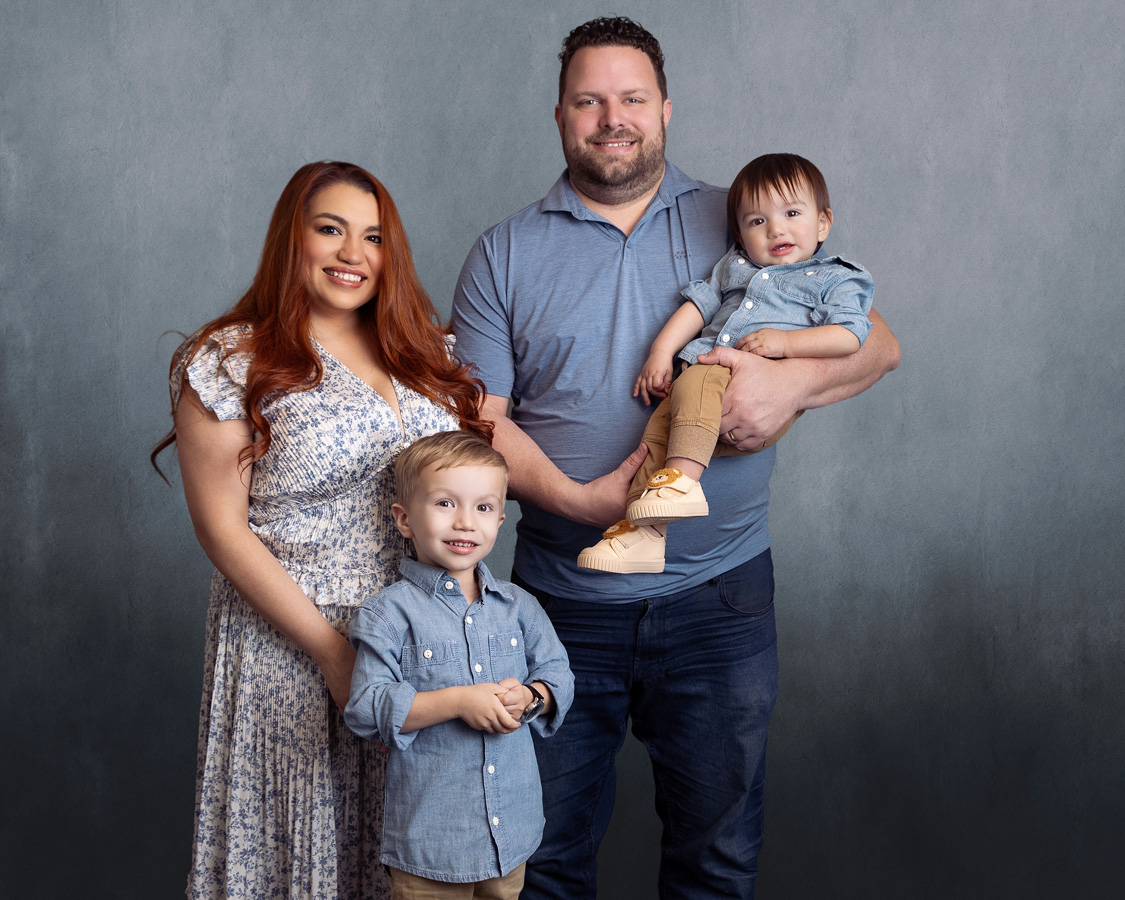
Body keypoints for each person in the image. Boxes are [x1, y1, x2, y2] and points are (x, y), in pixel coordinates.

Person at [451, 16, 900, 900]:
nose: (611, 117)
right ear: (559, 117)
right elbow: (479, 421)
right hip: (557, 603)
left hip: (718, 603)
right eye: (589, 100)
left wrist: (785, 391)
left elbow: (876, 342)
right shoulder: (503, 252)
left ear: (665, 110)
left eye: (631, 98)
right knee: (537, 865)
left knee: (716, 861)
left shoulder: (743, 215)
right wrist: (580, 503)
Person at [153, 161, 491, 900]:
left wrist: (603, 490)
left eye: (372, 237)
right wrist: (336, 655)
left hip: (415, 641)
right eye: (330, 229)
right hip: (294, 642)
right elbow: (222, 531)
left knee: (405, 860)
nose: (352, 254)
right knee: (298, 851)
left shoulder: (421, 349)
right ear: (291, 239)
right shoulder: (230, 361)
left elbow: (484, 461)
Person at [578, 152, 874, 573]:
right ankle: (644, 536)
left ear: (823, 222)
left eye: (792, 213)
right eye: (757, 221)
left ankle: (681, 484)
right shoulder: (734, 265)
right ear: (740, 232)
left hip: (746, 386)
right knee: (655, 439)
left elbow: (849, 335)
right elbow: (697, 308)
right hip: (698, 384)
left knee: (699, 382)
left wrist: (787, 344)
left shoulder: (836, 278)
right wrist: (660, 352)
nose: (776, 229)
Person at [345, 430, 574, 899]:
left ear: (500, 519)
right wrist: (456, 702)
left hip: (511, 833)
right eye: (446, 504)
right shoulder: (387, 613)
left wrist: (531, 697)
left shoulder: (519, 606)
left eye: (484, 508)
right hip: (431, 845)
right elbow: (366, 708)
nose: (466, 523)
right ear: (404, 519)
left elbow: (558, 675)